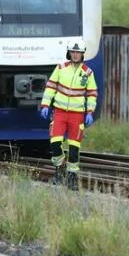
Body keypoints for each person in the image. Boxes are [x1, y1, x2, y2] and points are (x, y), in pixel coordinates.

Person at [39, 38, 98, 191]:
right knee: (55, 143)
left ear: (83, 54)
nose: (76, 55)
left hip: (77, 115)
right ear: (69, 53)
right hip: (59, 113)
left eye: (78, 52)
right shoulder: (60, 68)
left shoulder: (88, 73)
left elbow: (92, 94)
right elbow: (50, 87)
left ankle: (72, 178)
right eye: (73, 52)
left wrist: (90, 112)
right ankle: (59, 170)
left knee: (74, 148)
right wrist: (45, 105)